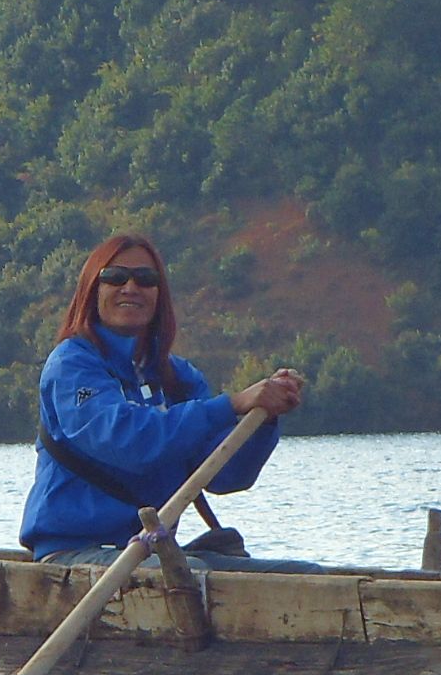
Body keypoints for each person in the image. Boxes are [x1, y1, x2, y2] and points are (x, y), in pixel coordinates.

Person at [19, 233, 313, 570]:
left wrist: (263, 418)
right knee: (192, 573)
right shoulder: (72, 366)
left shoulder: (177, 376)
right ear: (92, 291)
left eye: (145, 279)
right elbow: (128, 442)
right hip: (74, 554)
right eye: (115, 277)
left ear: (159, 296)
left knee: (308, 576)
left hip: (150, 553)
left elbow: (225, 476)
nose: (131, 287)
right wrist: (229, 405)